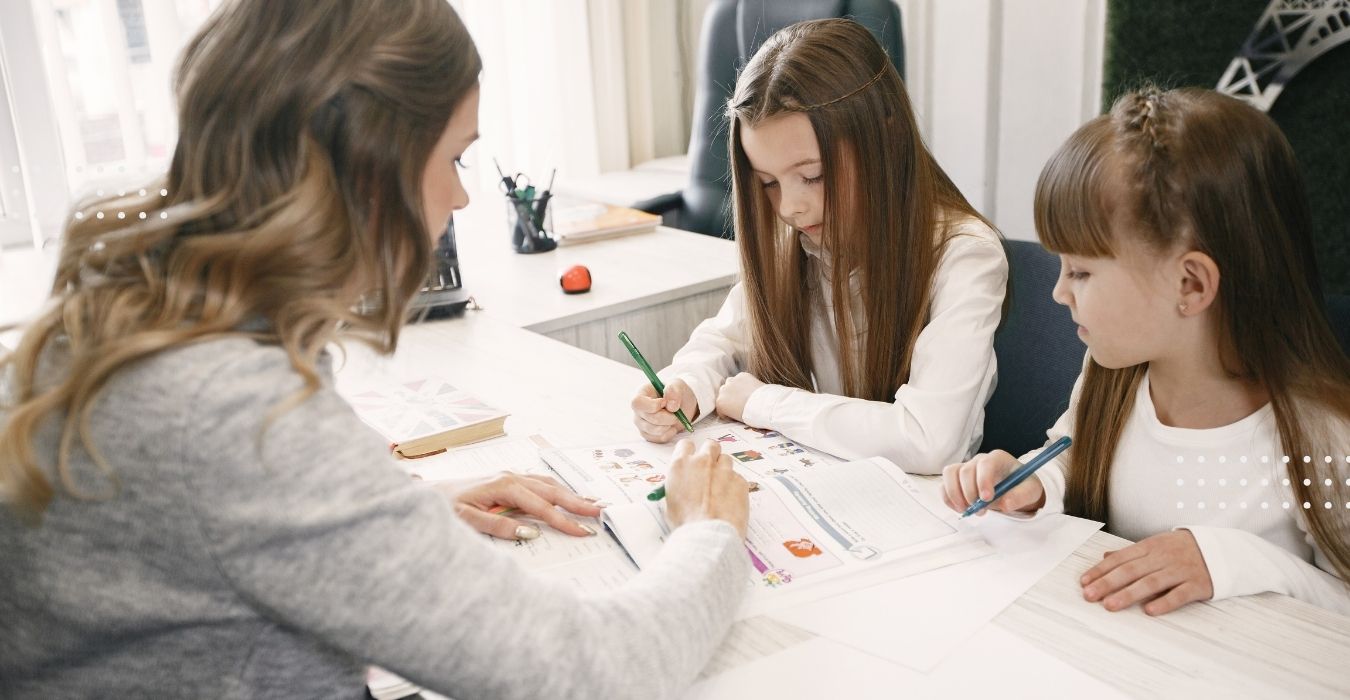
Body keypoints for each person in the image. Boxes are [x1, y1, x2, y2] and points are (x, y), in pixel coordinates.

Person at [0, 1, 750, 696]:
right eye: (455, 159)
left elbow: (194, 538)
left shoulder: (124, 302)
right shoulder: (239, 415)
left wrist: (387, 517)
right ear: (368, 168)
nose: (460, 199)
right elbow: (596, 671)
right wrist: (710, 531)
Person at [941, 87, 1350, 616]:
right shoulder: (1112, 373)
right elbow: (1071, 460)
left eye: (1082, 272)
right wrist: (1032, 485)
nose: (1058, 292)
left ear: (1191, 284)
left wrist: (1230, 559)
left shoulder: (1322, 439)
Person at [630, 19, 1008, 475]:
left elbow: (928, 440)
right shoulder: (799, 241)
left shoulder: (964, 255)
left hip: (928, 511)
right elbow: (724, 338)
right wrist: (684, 385)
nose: (790, 207)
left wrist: (762, 402)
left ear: (884, 139)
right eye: (768, 183)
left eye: (813, 176)